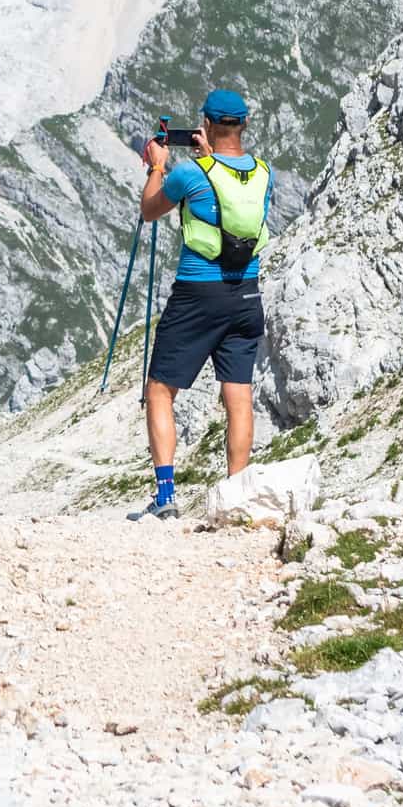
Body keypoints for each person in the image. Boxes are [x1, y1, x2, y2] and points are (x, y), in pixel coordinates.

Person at [130, 89, 273, 522]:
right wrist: (212, 155)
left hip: (198, 293)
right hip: (246, 293)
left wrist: (157, 166)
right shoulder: (265, 173)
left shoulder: (189, 175)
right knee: (239, 395)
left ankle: (166, 495)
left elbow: (150, 210)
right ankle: (236, 494)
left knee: (159, 389)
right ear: (244, 125)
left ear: (205, 123)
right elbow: (230, 190)